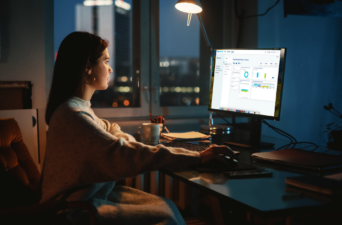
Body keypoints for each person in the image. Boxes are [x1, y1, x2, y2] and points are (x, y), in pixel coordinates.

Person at [41, 31, 235, 225]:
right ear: (88, 68)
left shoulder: (77, 108)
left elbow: (111, 127)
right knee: (165, 216)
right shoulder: (73, 115)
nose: (110, 69)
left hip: (91, 199)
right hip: (75, 212)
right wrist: (198, 156)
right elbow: (123, 154)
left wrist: (118, 139)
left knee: (167, 205)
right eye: (106, 61)